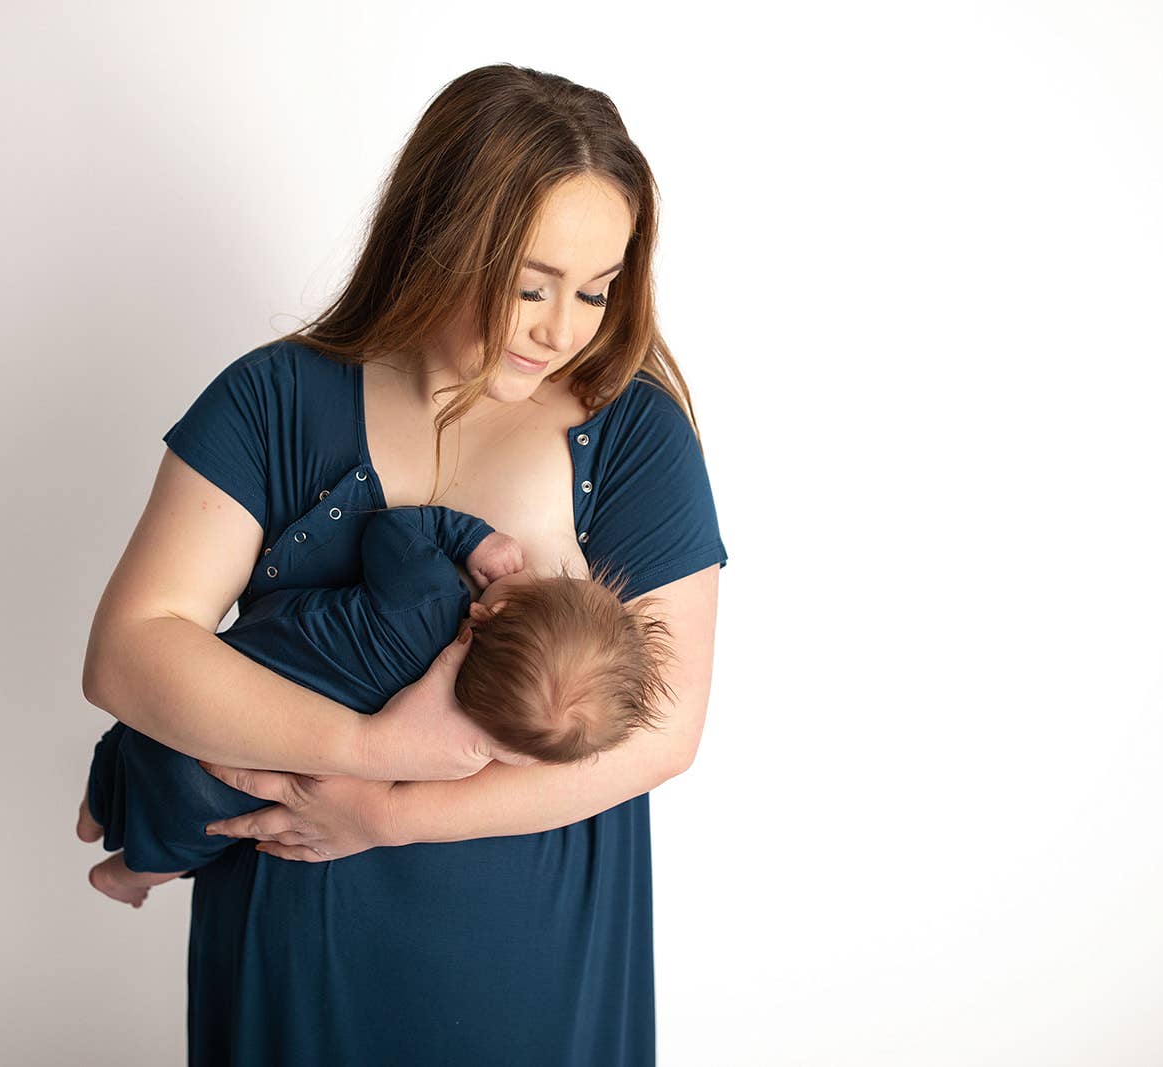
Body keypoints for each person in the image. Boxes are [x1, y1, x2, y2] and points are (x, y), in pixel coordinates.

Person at [79, 63, 727, 1065]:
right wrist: (371, 746)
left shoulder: (631, 433)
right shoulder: (272, 399)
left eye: (595, 290)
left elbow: (663, 735)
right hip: (296, 931)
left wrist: (391, 813)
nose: (562, 329)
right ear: (440, 236)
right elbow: (128, 654)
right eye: (530, 285)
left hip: (531, 955)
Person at [76, 503, 676, 908]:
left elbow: (392, 530)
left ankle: (93, 810)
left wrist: (470, 537)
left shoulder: (427, 599)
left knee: (128, 743)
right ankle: (128, 876)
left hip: (202, 700)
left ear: (487, 612)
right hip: (226, 787)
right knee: (187, 836)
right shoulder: (455, 748)